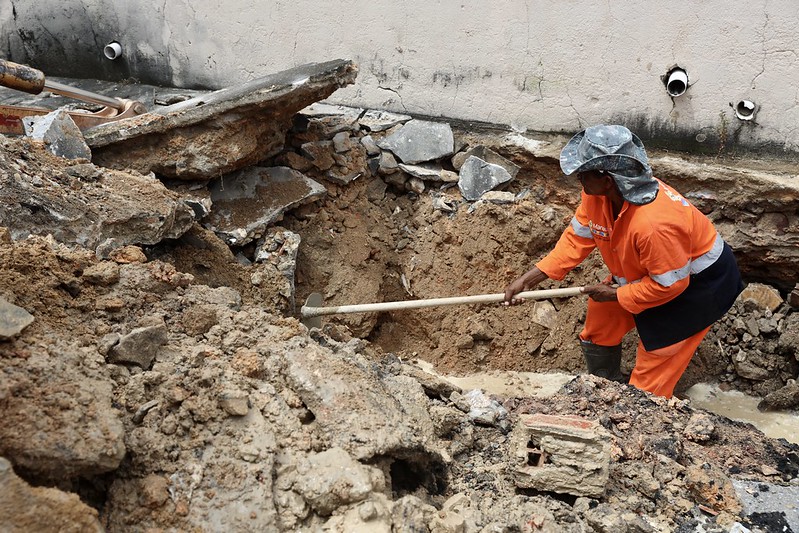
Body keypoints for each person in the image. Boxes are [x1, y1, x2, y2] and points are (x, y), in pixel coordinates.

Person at [503, 124, 743, 398]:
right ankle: (604, 389)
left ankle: (639, 414)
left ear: (608, 179)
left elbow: (670, 286)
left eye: (584, 174)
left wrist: (618, 294)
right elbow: (575, 240)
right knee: (600, 320)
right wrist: (528, 279)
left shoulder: (654, 224)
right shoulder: (597, 196)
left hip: (695, 291)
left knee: (649, 381)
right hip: (656, 274)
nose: (578, 179)